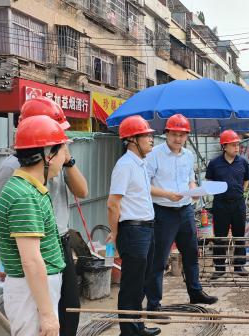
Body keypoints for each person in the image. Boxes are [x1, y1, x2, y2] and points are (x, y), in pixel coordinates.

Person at [0, 97, 88, 336]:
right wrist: (11, 258)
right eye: (62, 145)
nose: (67, 152)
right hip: (33, 269)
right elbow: (29, 259)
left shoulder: (36, 184)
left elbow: (83, 191)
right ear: (46, 152)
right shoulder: (23, 190)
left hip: (47, 259)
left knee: (67, 317)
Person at [0, 115, 70, 336]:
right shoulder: (24, 196)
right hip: (31, 291)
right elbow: (31, 260)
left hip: (35, 289)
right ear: (48, 155)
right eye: (62, 150)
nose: (65, 157)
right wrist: (47, 316)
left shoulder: (29, 189)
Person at [144, 114, 218, 316]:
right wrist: (167, 194)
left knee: (192, 253)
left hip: (185, 210)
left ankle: (195, 292)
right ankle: (153, 303)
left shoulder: (188, 155)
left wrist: (194, 192)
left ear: (186, 136)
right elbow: (144, 185)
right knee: (158, 259)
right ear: (166, 133)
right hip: (163, 211)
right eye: (174, 134)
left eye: (181, 135)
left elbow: (190, 179)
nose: (178, 139)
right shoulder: (154, 155)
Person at [106, 115, 160, 336]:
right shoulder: (125, 165)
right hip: (133, 230)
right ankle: (129, 331)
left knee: (143, 281)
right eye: (146, 135)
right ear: (132, 139)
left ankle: (136, 326)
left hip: (147, 228)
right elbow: (112, 204)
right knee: (131, 284)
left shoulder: (141, 164)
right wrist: (115, 234)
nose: (150, 139)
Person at [205, 129, 249, 279]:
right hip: (220, 205)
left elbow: (246, 180)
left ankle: (239, 265)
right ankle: (219, 268)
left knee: (239, 235)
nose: (236, 147)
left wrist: (239, 193)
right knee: (220, 236)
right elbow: (209, 181)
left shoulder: (243, 162)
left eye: (237, 144)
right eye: (232, 145)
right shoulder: (214, 163)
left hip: (238, 204)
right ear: (224, 146)